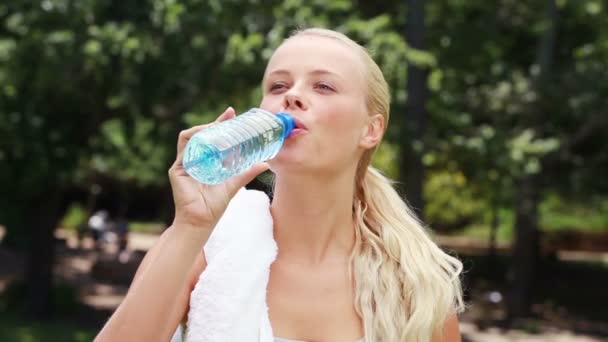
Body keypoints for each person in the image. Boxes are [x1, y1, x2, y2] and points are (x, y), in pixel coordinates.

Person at [96, 28, 464, 341]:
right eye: (278, 85)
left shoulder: (415, 287)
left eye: (323, 86)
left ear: (371, 130)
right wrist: (190, 226)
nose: (291, 95)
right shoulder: (208, 245)